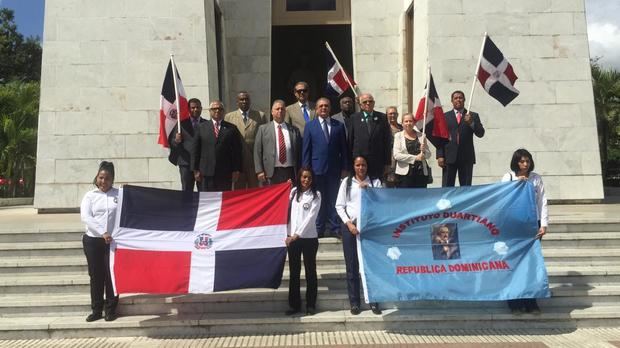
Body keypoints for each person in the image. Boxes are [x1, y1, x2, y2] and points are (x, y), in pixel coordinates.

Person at [501, 148, 548, 314]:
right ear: (516, 162)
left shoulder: (536, 179)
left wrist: (543, 224)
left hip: (532, 225)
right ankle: (514, 301)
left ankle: (531, 301)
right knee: (515, 263)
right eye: (522, 161)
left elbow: (542, 201)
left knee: (530, 263)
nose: (525, 164)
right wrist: (516, 184)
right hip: (514, 225)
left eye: (527, 161)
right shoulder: (509, 177)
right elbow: (501, 198)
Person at [335, 156, 383, 316]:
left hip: (369, 228)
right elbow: (339, 206)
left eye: (363, 165)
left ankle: (374, 301)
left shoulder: (375, 183)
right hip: (351, 227)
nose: (361, 168)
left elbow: (381, 203)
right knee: (352, 266)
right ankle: (354, 302)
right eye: (358, 165)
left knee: (370, 266)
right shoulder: (346, 183)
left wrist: (368, 191)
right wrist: (349, 224)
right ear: (353, 167)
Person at [302, 97, 349, 237]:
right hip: (316, 170)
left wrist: (345, 167)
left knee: (334, 199)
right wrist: (305, 170)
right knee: (318, 199)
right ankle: (319, 228)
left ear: (330, 108)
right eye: (321, 106)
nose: (323, 108)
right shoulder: (310, 126)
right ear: (316, 109)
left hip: (334, 170)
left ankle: (335, 228)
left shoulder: (338, 126)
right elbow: (306, 150)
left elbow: (344, 149)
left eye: (326, 106)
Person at [80, 161, 119, 322]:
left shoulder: (119, 194)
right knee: (96, 276)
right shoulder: (90, 196)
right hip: (93, 241)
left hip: (113, 242)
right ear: (97, 178)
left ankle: (110, 310)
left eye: (107, 178)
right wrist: (102, 232)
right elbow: (86, 217)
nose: (104, 181)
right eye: (101, 177)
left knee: (112, 275)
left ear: (112, 180)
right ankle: (96, 310)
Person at [285, 167, 321, 316]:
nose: (306, 180)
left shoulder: (316, 195)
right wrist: (285, 188)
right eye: (303, 177)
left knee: (310, 271)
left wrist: (297, 235)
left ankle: (311, 304)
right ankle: (294, 305)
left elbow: (310, 218)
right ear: (299, 177)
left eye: (309, 178)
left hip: (309, 239)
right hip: (292, 238)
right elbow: (282, 206)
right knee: (294, 272)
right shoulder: (293, 193)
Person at [191, 100, 243, 191]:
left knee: (223, 202)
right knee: (207, 201)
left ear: (224, 111)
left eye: (220, 109)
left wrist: (236, 170)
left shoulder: (231, 128)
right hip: (206, 172)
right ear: (209, 111)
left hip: (225, 173)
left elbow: (237, 151)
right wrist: (195, 170)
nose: (217, 111)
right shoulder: (201, 127)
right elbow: (195, 150)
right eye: (214, 109)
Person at [437, 90, 485, 187]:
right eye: (456, 98)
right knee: (447, 186)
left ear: (464, 100)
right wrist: (440, 155)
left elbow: (481, 133)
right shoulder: (445, 117)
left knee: (466, 187)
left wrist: (471, 123)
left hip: (466, 158)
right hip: (449, 157)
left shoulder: (473, 115)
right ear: (452, 101)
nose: (458, 100)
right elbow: (440, 137)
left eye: (460, 98)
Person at [225, 91, 268, 189]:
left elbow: (264, 140)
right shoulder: (229, 117)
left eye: (246, 99)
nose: (244, 101)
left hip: (254, 162)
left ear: (250, 101)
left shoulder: (260, 115)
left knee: (254, 191)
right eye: (241, 99)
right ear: (237, 102)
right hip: (237, 163)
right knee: (239, 192)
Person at [254, 100, 302, 185]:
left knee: (289, 197)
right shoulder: (263, 129)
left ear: (285, 112)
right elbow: (257, 151)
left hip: (290, 172)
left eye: (282, 109)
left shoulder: (294, 130)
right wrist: (259, 171)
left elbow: (299, 152)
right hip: (270, 173)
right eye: (277, 109)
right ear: (272, 112)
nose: (280, 111)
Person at [348, 93, 392, 179]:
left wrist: (387, 163)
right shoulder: (354, 118)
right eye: (365, 102)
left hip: (377, 161)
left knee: (376, 187)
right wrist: (350, 162)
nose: (368, 103)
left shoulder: (382, 117)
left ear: (374, 103)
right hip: (360, 162)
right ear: (360, 105)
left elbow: (386, 141)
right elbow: (350, 140)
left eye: (370, 101)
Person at [168, 98, 206, 191]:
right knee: (186, 191)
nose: (195, 109)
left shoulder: (207, 124)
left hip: (202, 164)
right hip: (186, 163)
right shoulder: (181, 125)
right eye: (193, 108)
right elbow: (172, 142)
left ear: (201, 108)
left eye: (197, 107)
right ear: (188, 109)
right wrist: (176, 140)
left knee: (203, 192)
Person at [393, 113, 432, 188]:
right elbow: (396, 155)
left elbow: (428, 155)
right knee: (405, 198)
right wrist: (415, 158)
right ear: (402, 123)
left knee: (420, 197)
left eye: (410, 121)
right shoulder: (398, 136)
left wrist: (424, 151)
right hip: (404, 175)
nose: (408, 123)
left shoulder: (422, 135)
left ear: (414, 123)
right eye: (406, 121)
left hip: (421, 173)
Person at [386, 106, 402, 186]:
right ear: (386, 115)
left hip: (401, 161)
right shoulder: (384, 128)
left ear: (397, 115)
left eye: (394, 113)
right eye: (390, 113)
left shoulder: (402, 128)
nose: (392, 115)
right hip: (389, 160)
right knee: (389, 185)